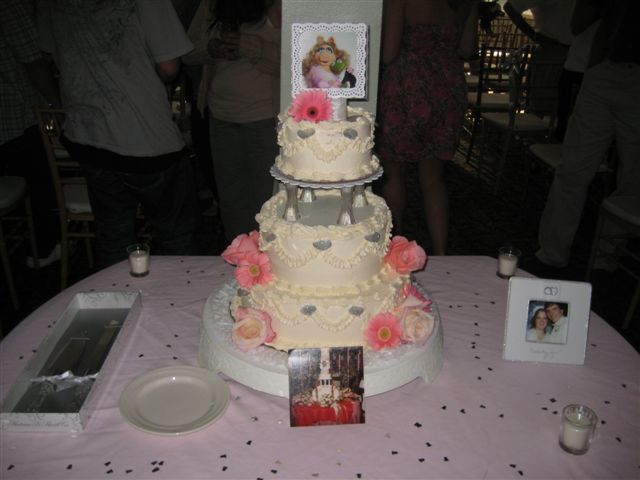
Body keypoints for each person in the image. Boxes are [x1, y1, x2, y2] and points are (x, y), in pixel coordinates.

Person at [37, 0, 200, 269]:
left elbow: (49, 54)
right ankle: (178, 294)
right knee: (176, 239)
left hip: (88, 133)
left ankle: (117, 295)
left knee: (113, 238)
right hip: (145, 138)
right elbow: (169, 67)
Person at [534, 0, 640, 271]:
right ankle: (552, 254)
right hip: (606, 70)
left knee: (633, 179)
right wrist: (595, 67)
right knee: (573, 169)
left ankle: (607, 258)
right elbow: (584, 22)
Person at [376, 0, 478, 255]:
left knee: (394, 175)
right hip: (447, 88)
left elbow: (388, 53)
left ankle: (394, 251)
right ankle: (441, 253)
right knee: (434, 179)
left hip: (408, 88)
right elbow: (466, 49)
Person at [183, 0, 281, 242]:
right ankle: (237, 259)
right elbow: (187, 51)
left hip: (265, 119)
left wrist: (251, 46)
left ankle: (267, 261)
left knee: (267, 205)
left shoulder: (279, 6)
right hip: (220, 117)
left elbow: (304, 62)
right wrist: (211, 48)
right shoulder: (212, 5)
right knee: (231, 204)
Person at [0, 0, 62, 267]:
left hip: (11, 116)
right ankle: (42, 251)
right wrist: (56, 105)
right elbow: (33, 59)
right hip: (13, 112)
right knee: (40, 184)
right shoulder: (10, 5)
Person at [503, 0, 575, 135]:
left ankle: (555, 138)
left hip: (576, 53)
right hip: (551, 50)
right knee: (541, 102)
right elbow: (510, 7)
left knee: (568, 105)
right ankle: (536, 138)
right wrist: (534, 35)